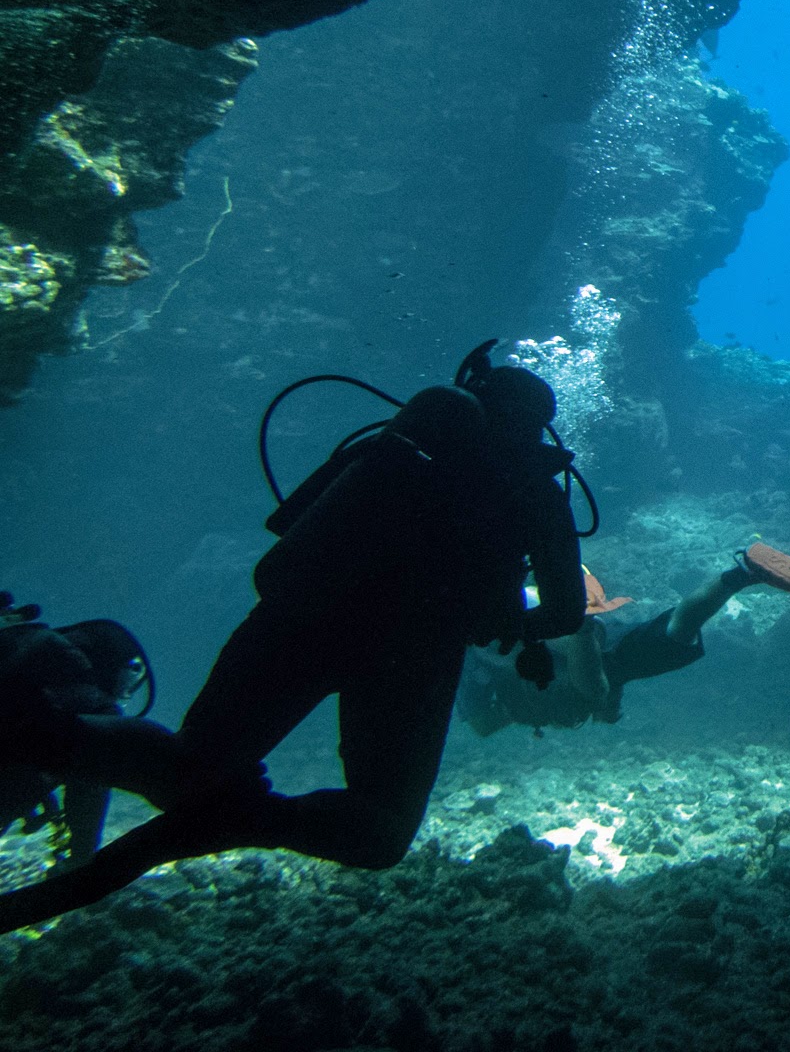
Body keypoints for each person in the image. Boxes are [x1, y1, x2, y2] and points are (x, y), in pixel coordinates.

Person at [0, 347, 587, 932]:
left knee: (189, 765)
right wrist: (510, 624)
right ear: (537, 428)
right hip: (411, 656)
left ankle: (40, 732)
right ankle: (256, 820)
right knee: (379, 831)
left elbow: (289, 526)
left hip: (298, 617)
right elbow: (565, 611)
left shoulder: (391, 447)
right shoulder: (538, 494)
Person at [458, 541, 790, 736]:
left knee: (608, 670)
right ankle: (741, 573)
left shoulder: (489, 671)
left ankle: (580, 623)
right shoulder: (493, 677)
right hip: (591, 640)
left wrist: (579, 639)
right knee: (677, 629)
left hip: (572, 635)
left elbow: (576, 678)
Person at [0, 595, 151, 867]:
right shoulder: (92, 703)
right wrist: (82, 860)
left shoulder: (31, 656)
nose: (123, 697)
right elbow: (90, 792)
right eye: (127, 686)